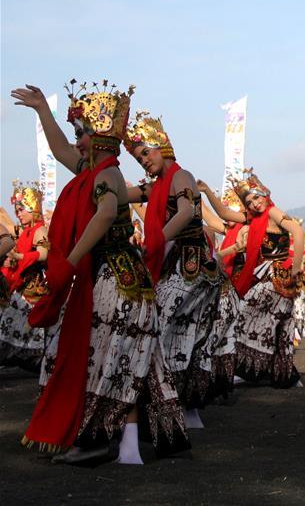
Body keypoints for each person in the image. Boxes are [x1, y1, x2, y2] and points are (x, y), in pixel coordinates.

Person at [12, 81, 188, 464]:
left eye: (82, 134)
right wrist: (43, 109)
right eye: (77, 133)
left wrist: (70, 261)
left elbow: (106, 213)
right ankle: (126, 447)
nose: (76, 142)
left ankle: (97, 440)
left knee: (107, 359)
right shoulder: (94, 171)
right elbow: (59, 150)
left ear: (101, 138)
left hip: (116, 280)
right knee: (131, 359)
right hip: (117, 277)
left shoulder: (107, 176)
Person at [125, 112, 223, 427]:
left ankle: (161, 406)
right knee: (185, 336)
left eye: (145, 153)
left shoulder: (182, 177)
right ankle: (188, 409)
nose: (143, 161)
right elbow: (125, 194)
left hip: (191, 266)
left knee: (157, 328)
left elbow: (184, 212)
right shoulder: (157, 186)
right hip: (180, 265)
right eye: (138, 158)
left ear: (162, 146)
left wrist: (155, 241)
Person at [203, 169, 305, 388]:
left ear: (265, 194)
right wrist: (206, 193)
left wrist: (295, 269)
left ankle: (252, 371)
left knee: (245, 312)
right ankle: (283, 374)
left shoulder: (272, 212)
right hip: (270, 276)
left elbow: (297, 230)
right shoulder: (254, 218)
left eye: (256, 197)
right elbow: (224, 214)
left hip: (278, 274)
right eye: (249, 201)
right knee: (277, 324)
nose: (254, 204)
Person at [0, 181, 49, 371]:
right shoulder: (24, 230)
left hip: (32, 290)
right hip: (19, 286)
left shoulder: (39, 230)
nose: (18, 214)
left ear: (33, 209)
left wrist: (20, 256)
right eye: (17, 210)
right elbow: (6, 230)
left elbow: (45, 252)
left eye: (21, 210)